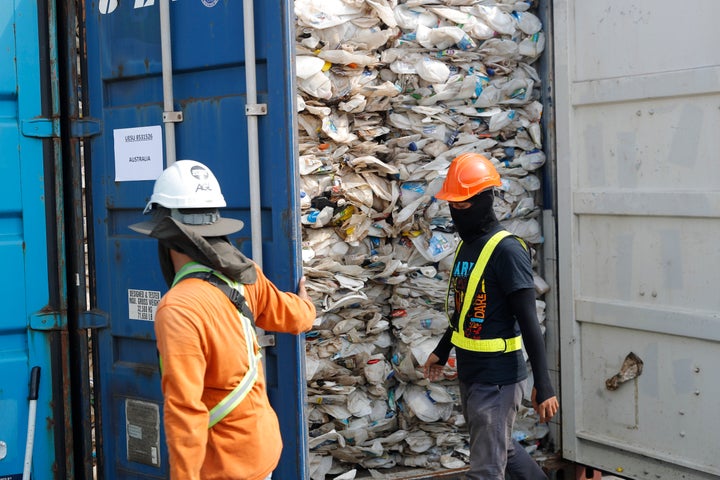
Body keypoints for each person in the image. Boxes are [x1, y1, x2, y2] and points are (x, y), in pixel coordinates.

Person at [129, 159, 316, 480]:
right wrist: (306, 303)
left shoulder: (178, 307)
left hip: (223, 465)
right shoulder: (244, 276)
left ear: (166, 236)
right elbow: (297, 318)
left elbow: (185, 410)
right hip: (261, 447)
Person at [423, 153, 559, 480]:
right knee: (502, 449)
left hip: (497, 379)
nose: (457, 213)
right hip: (472, 373)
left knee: (485, 470)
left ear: (486, 200)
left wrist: (543, 383)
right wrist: (442, 351)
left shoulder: (508, 251)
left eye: (464, 205)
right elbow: (464, 310)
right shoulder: (467, 248)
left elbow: (528, 321)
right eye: (452, 205)